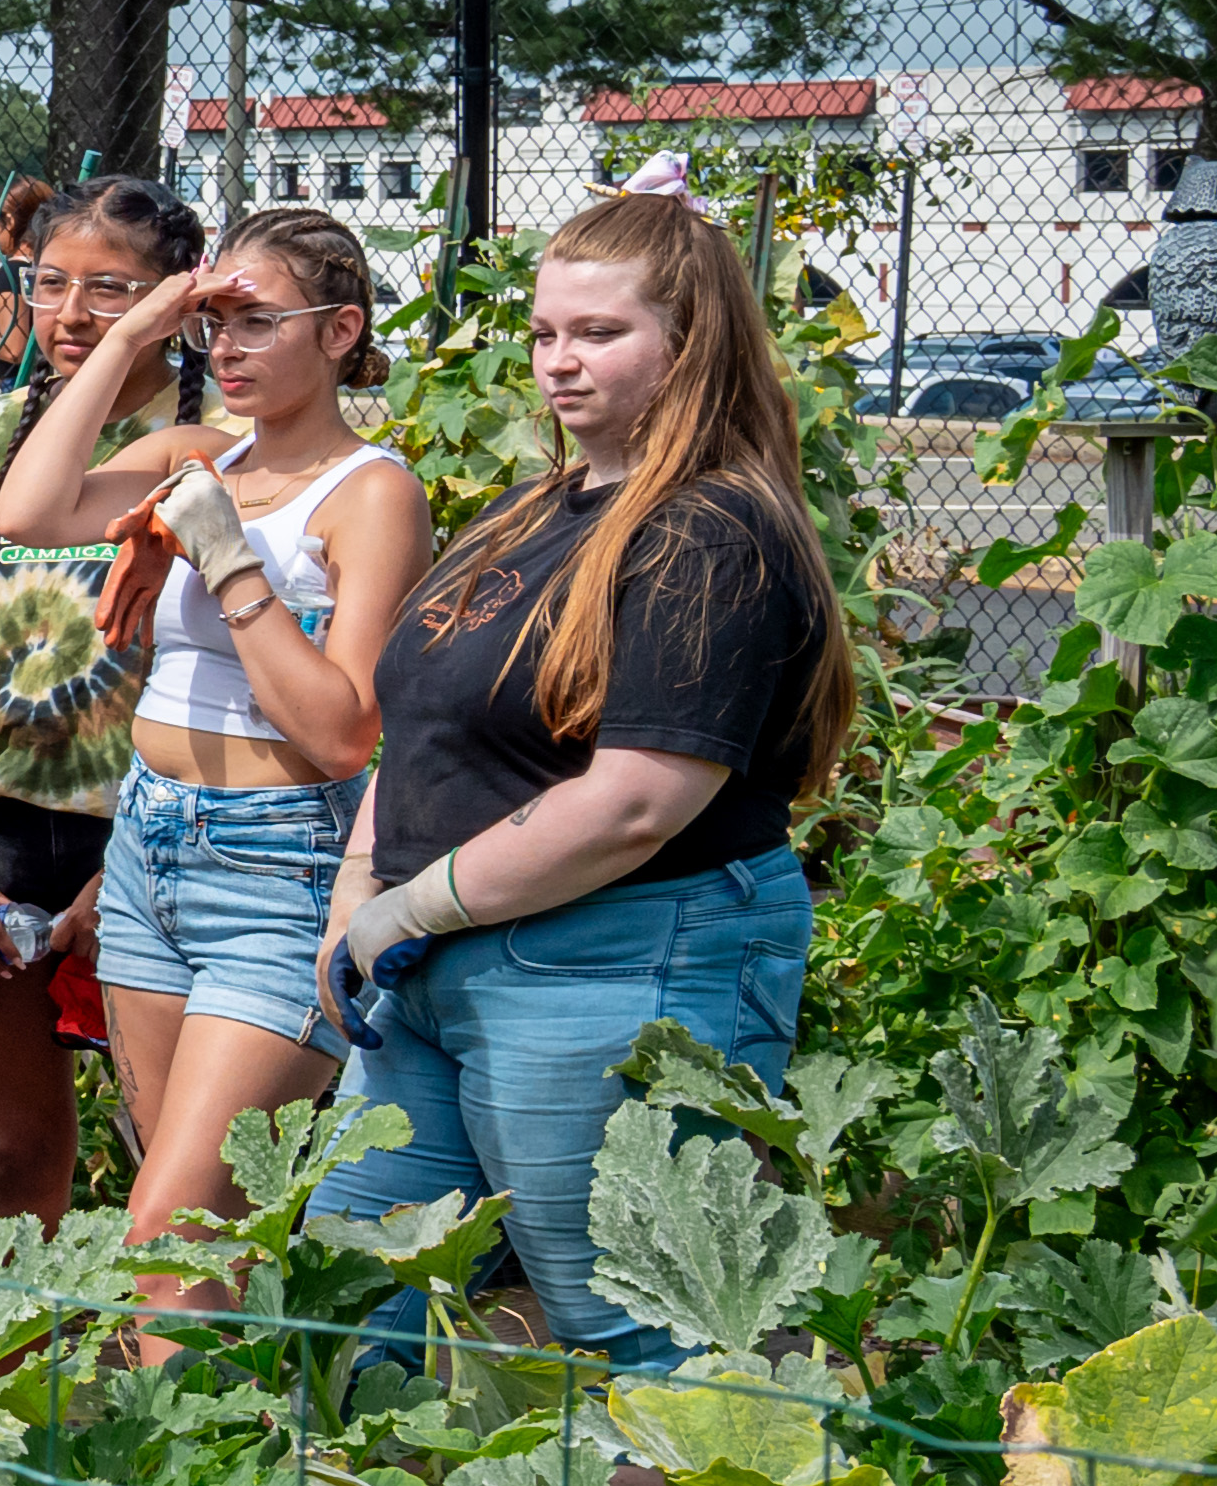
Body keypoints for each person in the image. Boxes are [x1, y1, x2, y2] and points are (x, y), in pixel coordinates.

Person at [322, 189, 853, 1374]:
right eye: (547, 331)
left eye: (600, 334)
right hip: (436, 960)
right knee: (350, 1305)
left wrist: (409, 904)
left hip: (615, 954)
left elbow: (635, 802)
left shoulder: (708, 534)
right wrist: (361, 885)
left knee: (636, 1326)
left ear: (691, 342)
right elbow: (418, 726)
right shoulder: (540, 512)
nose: (560, 362)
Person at [0, 207, 431, 1315]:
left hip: (276, 866)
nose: (225, 350)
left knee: (170, 1234)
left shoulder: (372, 492)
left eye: (255, 323)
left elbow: (342, 729)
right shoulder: (197, 456)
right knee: (188, 1232)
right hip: (150, 847)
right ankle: (207, 1466)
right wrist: (142, 323)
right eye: (212, 326)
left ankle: (191, 1479)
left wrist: (231, 559)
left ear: (340, 333)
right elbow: (32, 507)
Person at [0, 174, 214, 1228]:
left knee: (175, 1161)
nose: (71, 314)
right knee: (11, 1159)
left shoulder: (209, 452)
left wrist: (130, 867)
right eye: (49, 284)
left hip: (144, 845)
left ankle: (175, 1383)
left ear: (171, 304)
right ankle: (0, 1389)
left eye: (111, 289)